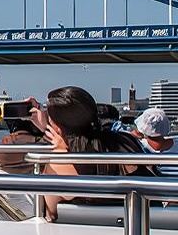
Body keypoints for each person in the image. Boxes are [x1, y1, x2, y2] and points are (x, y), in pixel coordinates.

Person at [30, 86, 152, 221]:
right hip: (142, 227)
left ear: (57, 128)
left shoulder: (59, 164)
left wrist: (59, 151)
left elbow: (50, 213)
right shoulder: (126, 142)